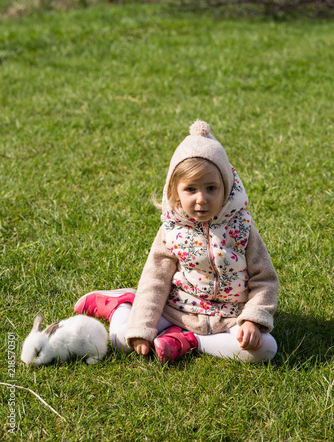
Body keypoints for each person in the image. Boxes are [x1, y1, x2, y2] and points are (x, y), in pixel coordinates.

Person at [74, 120, 279, 363]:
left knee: (266, 349)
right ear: (175, 191)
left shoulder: (242, 228)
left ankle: (190, 341)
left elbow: (264, 280)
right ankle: (122, 305)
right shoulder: (170, 231)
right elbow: (155, 279)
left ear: (227, 187)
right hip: (178, 310)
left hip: (229, 315)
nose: (201, 199)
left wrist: (252, 320)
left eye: (211, 188)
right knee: (122, 339)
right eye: (191, 189)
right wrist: (142, 326)